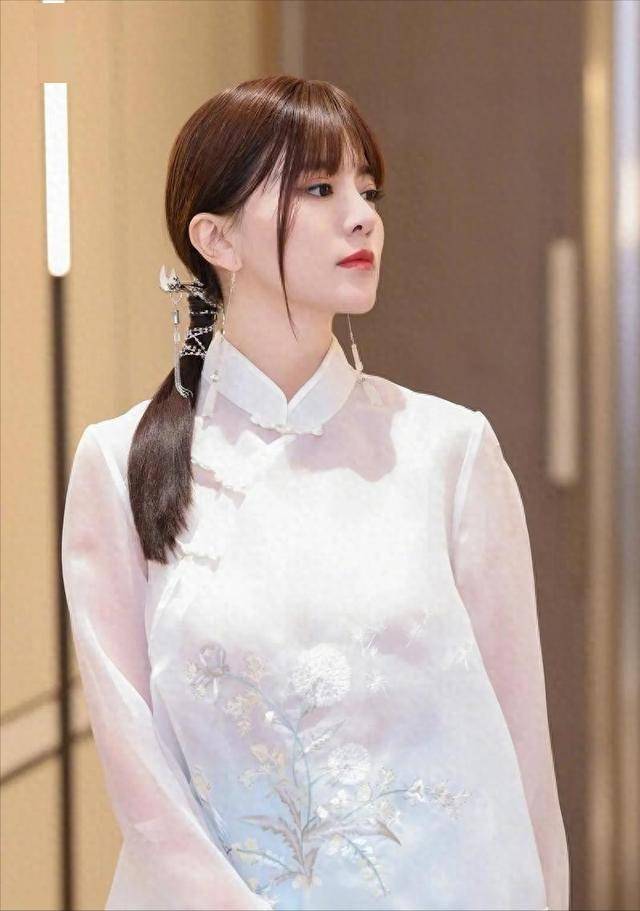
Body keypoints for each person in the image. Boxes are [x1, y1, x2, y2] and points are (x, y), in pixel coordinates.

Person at [61, 74, 570, 911]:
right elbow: (144, 789)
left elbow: (524, 766)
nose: (362, 215)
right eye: (320, 189)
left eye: (367, 189)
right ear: (216, 238)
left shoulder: (449, 453)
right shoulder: (119, 466)